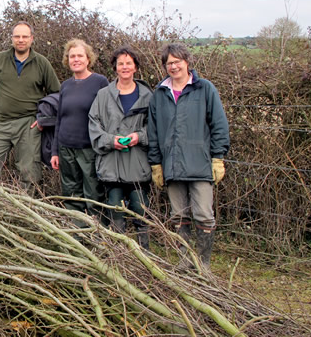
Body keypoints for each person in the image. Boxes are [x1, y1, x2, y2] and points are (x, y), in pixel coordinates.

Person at [148, 43, 230, 270]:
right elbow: (153, 131)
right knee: (178, 216)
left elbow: (219, 125)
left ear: (187, 62)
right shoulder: (160, 93)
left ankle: (203, 265)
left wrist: (217, 157)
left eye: (177, 62)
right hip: (171, 164)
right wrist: (156, 162)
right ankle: (185, 262)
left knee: (204, 215)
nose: (173, 67)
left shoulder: (204, 89)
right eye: (169, 63)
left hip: (200, 163)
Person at [0, 21, 60, 193]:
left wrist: (44, 119)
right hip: (0, 124)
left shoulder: (41, 63)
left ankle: (28, 211)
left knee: (30, 173)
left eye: (25, 36)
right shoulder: (0, 59)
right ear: (12, 38)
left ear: (31, 39)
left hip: (28, 125)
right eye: (17, 36)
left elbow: (57, 94)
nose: (21, 40)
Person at [88, 46, 152, 249]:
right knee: (115, 212)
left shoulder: (148, 96)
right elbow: (93, 125)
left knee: (141, 212)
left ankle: (145, 253)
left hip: (137, 164)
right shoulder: (103, 95)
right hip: (111, 165)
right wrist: (110, 140)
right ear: (115, 67)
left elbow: (156, 128)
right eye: (120, 63)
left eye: (129, 63)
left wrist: (139, 137)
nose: (125, 67)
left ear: (135, 67)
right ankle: (119, 255)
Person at [50, 39, 108, 226]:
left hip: (89, 148)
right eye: (72, 56)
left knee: (93, 193)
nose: (76, 59)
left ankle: (98, 234)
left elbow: (107, 115)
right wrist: (55, 151)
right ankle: (77, 232)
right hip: (66, 148)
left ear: (88, 58)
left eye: (80, 56)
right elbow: (60, 119)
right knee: (71, 193)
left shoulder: (100, 82)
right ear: (68, 60)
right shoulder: (66, 85)